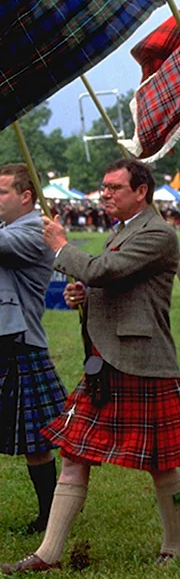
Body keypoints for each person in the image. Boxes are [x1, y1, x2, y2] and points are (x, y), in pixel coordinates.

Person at [3, 159, 180, 574]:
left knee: (162, 463)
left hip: (142, 361)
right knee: (74, 453)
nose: (105, 194)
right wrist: (84, 295)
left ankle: (174, 546)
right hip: (103, 361)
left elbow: (104, 270)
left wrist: (61, 246)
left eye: (114, 188)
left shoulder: (158, 233)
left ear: (140, 191)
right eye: (104, 187)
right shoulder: (121, 232)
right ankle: (48, 554)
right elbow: (105, 281)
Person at [0, 164, 66, 536]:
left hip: (19, 340)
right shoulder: (8, 228)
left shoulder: (36, 231)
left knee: (35, 440)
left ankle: (48, 515)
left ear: (26, 196)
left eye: (3, 192)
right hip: (6, 338)